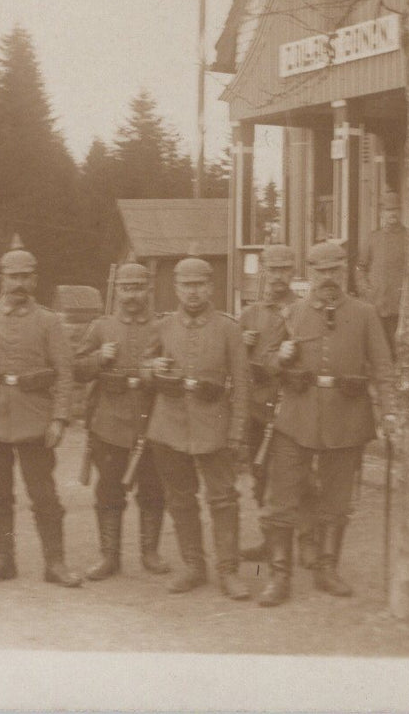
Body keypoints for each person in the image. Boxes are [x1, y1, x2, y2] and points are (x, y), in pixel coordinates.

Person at [257, 240, 393, 607]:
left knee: (336, 498)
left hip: (347, 417)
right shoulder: (292, 314)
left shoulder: (365, 314)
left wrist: (390, 413)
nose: (328, 278)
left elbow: (383, 366)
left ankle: (326, 568)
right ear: (310, 274)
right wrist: (280, 357)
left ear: (345, 270)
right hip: (296, 416)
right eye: (321, 271)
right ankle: (279, 576)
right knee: (282, 497)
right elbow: (266, 361)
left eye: (335, 270)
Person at [0, 235, 81, 587]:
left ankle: (55, 564)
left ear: (35, 280)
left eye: (26, 277)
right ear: (2, 278)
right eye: (13, 276)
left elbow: (66, 371)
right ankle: (3, 560)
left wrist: (59, 418)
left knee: (44, 496)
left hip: (34, 418)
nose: (20, 284)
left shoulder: (49, 321)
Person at [144, 257, 252, 600]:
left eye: (200, 284)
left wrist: (236, 430)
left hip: (214, 426)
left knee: (223, 499)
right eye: (186, 285)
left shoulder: (228, 329)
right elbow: (143, 369)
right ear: (176, 288)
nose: (193, 292)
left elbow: (243, 384)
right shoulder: (162, 326)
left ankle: (228, 570)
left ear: (211, 288)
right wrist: (152, 367)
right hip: (170, 426)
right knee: (180, 499)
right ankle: (193, 566)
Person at [71, 262, 171, 581]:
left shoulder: (163, 327)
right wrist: (100, 357)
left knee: (154, 491)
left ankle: (150, 553)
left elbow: (176, 368)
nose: (132, 295)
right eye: (126, 288)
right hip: (109, 423)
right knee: (109, 491)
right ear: (117, 291)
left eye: (138, 287)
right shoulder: (101, 328)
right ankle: (109, 556)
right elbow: (76, 369)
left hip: (151, 421)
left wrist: (160, 366)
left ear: (149, 290)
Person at [237, 245, 319, 566]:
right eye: (273, 270)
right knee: (260, 476)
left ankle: (307, 539)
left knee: (303, 477)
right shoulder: (249, 315)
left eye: (285, 270)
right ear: (263, 272)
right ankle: (270, 539)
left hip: (292, 404)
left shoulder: (304, 312)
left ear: (293, 272)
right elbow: (236, 365)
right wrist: (241, 346)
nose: (278, 277)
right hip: (258, 407)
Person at [355, 190, 406, 346]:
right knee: (376, 347)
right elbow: (360, 267)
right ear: (381, 213)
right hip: (375, 303)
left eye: (395, 210)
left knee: (397, 348)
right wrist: (365, 289)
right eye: (388, 210)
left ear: (400, 211)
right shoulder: (373, 238)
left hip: (400, 306)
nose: (392, 214)